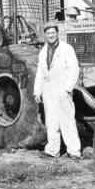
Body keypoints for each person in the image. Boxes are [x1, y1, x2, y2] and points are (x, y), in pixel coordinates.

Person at [34, 22, 82, 160]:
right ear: (45, 35)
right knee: (51, 121)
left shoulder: (67, 49)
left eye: (53, 32)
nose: (51, 35)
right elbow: (40, 73)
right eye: (48, 33)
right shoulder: (43, 52)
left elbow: (74, 70)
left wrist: (67, 89)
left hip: (62, 90)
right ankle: (52, 150)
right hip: (48, 90)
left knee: (67, 120)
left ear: (57, 33)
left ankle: (74, 151)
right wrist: (37, 91)